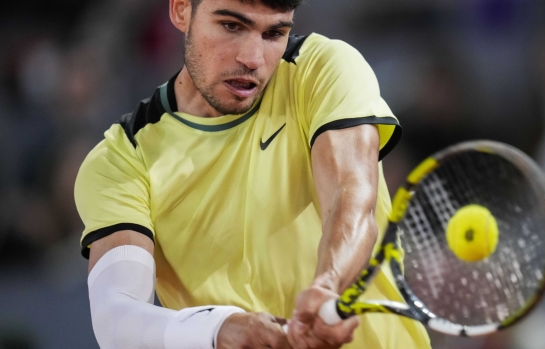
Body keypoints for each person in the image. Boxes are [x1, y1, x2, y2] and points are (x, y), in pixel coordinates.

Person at [74, 0, 432, 348]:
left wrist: (328, 286)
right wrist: (217, 329)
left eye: (274, 33)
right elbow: (116, 318)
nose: (253, 58)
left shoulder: (321, 68)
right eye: (231, 26)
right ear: (181, 10)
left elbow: (351, 196)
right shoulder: (122, 160)